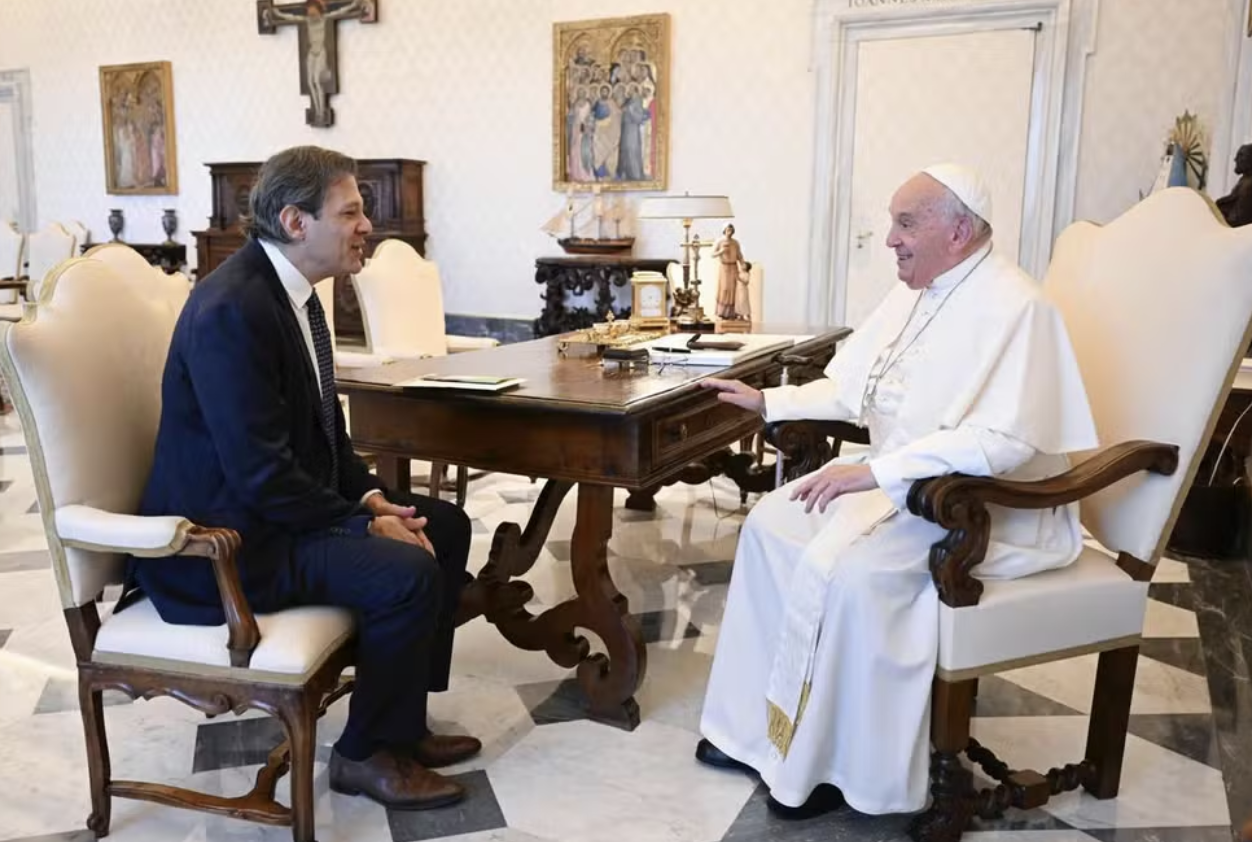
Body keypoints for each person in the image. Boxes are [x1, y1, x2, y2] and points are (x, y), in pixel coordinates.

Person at [694, 164, 1098, 818]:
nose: (890, 239)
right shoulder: (915, 291)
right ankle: (755, 732)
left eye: (906, 223)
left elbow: (1006, 442)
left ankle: (838, 771)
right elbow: (855, 389)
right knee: (771, 524)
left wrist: (879, 473)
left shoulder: (1019, 306)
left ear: (958, 232)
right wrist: (770, 401)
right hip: (905, 486)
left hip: (983, 506)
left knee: (858, 575)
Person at [129, 146, 477, 811]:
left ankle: (403, 726)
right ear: (295, 221)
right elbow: (260, 476)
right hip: (225, 545)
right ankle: (365, 755)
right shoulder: (233, 308)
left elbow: (325, 433)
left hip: (272, 515)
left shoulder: (296, 296)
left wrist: (370, 498)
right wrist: (360, 526)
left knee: (446, 525)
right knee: (406, 573)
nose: (366, 225)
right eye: (350, 212)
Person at [266, 0, 367, 125]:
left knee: (317, 81)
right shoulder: (307, 20)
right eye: (309, 13)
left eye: (313, 12)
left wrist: (353, 5)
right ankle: (317, 111)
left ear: (319, 11)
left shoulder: (325, 19)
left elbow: (340, 11)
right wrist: (277, 13)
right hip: (311, 53)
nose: (311, 15)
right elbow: (290, 17)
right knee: (310, 82)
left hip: (320, 53)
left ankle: (321, 111)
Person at [711, 224, 748, 320]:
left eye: (731, 230)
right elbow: (712, 254)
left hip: (733, 267)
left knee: (733, 289)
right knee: (724, 289)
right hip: (724, 268)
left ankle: (732, 313)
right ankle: (721, 312)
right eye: (728, 230)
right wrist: (721, 251)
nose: (729, 232)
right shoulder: (719, 241)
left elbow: (739, 255)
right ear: (724, 230)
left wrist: (742, 263)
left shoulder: (735, 242)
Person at [1216, 143, 1252, 228]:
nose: (1235, 159)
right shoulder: (1244, 179)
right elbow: (1232, 201)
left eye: (1241, 156)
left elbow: (1238, 220)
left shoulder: (1249, 186)